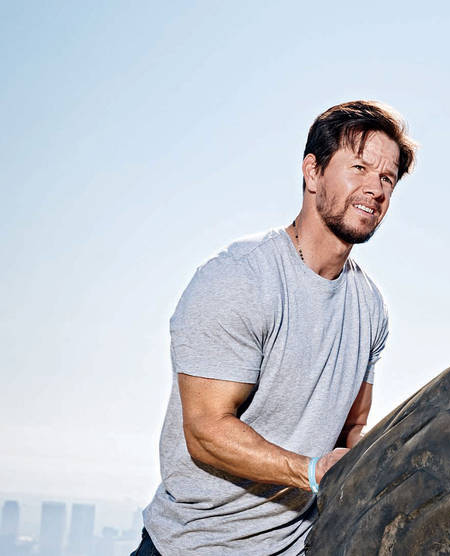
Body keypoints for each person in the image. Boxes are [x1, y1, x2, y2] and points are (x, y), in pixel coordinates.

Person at [132, 101, 417, 555]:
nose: (375, 188)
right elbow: (205, 432)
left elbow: (353, 427)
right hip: (194, 547)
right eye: (359, 167)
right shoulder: (240, 278)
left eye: (387, 178)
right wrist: (311, 471)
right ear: (312, 172)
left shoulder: (370, 306)